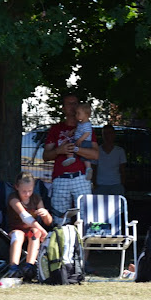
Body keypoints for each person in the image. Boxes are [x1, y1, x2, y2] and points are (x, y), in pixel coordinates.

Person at [43, 93, 99, 223]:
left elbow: (95, 155)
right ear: (63, 108)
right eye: (69, 104)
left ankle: (83, 242)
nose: (73, 107)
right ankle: (61, 242)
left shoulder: (87, 127)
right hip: (60, 177)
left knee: (86, 217)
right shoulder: (56, 129)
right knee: (59, 219)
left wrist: (77, 149)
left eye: (75, 103)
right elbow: (45, 156)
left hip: (81, 177)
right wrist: (59, 150)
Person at [6, 172, 52, 281]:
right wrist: (43, 231)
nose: (27, 194)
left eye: (30, 191)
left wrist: (45, 214)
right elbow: (25, 217)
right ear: (17, 187)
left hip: (31, 230)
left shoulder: (36, 198)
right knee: (18, 234)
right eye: (24, 191)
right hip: (15, 229)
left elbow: (49, 222)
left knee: (35, 232)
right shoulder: (13, 198)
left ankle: (29, 267)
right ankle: (13, 267)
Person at [61, 103, 95, 181]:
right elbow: (78, 129)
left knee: (75, 149)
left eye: (78, 113)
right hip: (79, 140)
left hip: (84, 141)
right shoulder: (81, 123)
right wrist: (73, 130)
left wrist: (80, 139)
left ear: (86, 114)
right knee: (71, 147)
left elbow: (87, 133)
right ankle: (72, 159)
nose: (76, 115)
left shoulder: (87, 124)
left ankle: (88, 168)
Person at [93, 124, 127, 196]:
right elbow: (94, 169)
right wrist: (94, 184)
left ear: (114, 134)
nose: (107, 136)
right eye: (105, 133)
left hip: (116, 186)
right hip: (100, 185)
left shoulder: (120, 151)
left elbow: (123, 170)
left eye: (109, 133)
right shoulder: (97, 150)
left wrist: (121, 185)